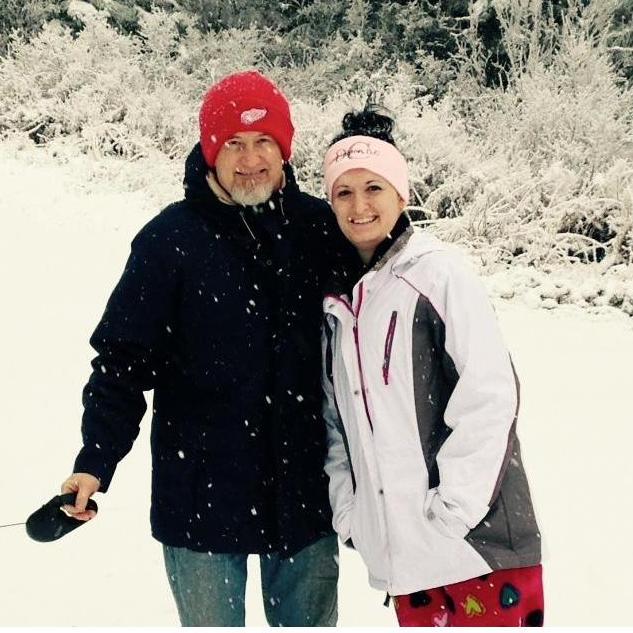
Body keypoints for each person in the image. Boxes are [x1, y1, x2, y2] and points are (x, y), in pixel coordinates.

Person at [59, 70, 345, 627]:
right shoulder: (170, 241)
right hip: (201, 500)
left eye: (264, 141)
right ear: (210, 150)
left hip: (305, 493)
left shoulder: (320, 228)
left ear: (285, 148)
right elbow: (121, 363)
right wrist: (96, 458)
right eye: (233, 143)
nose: (250, 159)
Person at [321, 106, 543, 627]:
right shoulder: (338, 305)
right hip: (406, 562)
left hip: (480, 549)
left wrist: (456, 510)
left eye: (374, 188)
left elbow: (490, 394)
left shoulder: (439, 276)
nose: (359, 206)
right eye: (343, 193)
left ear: (402, 194)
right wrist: (350, 513)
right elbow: (336, 423)